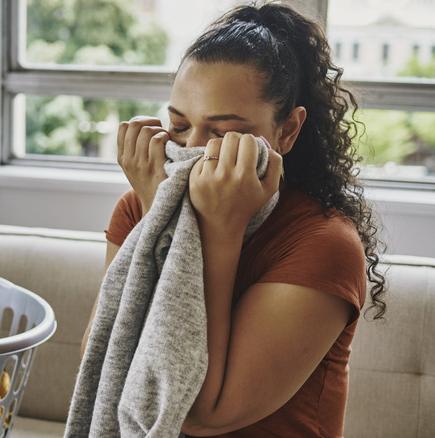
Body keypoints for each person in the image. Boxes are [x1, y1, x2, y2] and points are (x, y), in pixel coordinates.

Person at [80, 2, 387, 437]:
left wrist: (218, 231)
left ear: (287, 131)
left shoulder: (324, 244)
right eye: (180, 126)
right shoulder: (140, 205)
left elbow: (200, 413)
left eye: (222, 133)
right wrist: (158, 216)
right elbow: (106, 363)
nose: (196, 150)